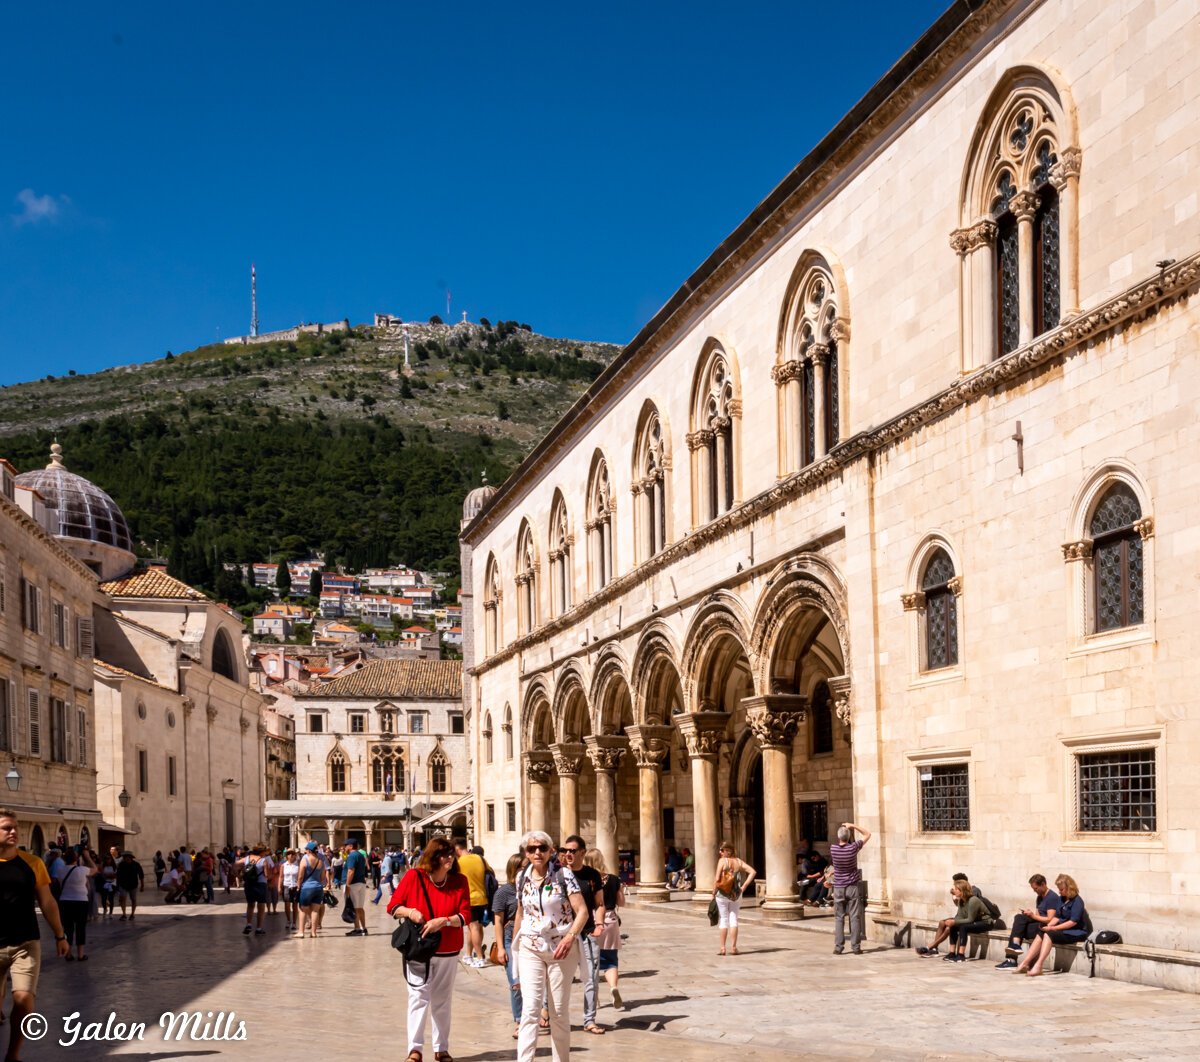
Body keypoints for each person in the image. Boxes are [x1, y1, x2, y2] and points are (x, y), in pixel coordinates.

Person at [387, 834, 471, 1062]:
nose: (450, 858)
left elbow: (465, 915)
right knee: (418, 998)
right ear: (433, 857)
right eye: (444, 854)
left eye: (451, 854)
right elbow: (393, 906)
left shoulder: (459, 881)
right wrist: (410, 912)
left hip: (448, 949)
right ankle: (414, 1050)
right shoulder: (415, 877)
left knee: (443, 1000)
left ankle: (441, 1048)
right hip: (419, 950)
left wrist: (442, 921)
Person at [513, 830, 589, 1062]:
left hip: (560, 948)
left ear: (550, 851)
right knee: (530, 1011)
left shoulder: (563, 875)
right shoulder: (521, 877)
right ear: (525, 852)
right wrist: (513, 952)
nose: (537, 852)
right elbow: (520, 914)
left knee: (557, 1013)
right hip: (530, 947)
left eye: (542, 848)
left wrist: (569, 938)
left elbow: (583, 912)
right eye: (531, 848)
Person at [1, 808, 69, 1062]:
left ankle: (13, 1055)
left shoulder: (33, 863)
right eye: (7, 827)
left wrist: (60, 935)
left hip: (26, 942)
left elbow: (47, 901)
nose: (14, 831)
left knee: (24, 999)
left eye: (15, 827)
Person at [558, 835, 607, 1034]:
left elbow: (600, 903)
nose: (568, 854)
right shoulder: (558, 875)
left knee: (592, 977)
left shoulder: (592, 875)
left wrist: (600, 924)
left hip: (587, 931)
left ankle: (589, 1020)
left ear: (582, 853)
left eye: (572, 851)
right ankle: (547, 1014)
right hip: (562, 934)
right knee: (556, 976)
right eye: (565, 850)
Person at [1015, 874, 1090, 977]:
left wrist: (1052, 928)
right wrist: (1048, 925)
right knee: (1042, 932)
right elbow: (1057, 917)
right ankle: (1025, 963)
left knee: (1049, 934)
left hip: (1075, 932)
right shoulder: (1061, 899)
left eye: (1061, 889)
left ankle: (1039, 964)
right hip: (1062, 929)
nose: (1059, 892)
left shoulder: (1077, 901)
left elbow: (1072, 922)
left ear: (1069, 888)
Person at [585, 848, 626, 1011]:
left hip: (591, 921)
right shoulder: (614, 879)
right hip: (610, 921)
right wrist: (620, 889)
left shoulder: (585, 881)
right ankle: (613, 987)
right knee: (610, 960)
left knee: (590, 962)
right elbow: (621, 903)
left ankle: (594, 997)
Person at [994, 873, 1061, 968]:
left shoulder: (1052, 897)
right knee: (1019, 918)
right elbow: (1037, 916)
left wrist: (1032, 915)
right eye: (1033, 889)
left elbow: (1050, 920)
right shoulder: (1039, 897)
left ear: (1043, 884)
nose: (1035, 891)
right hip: (1039, 924)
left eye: (1036, 888)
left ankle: (1012, 958)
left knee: (1017, 929)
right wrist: (1029, 914)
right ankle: (1015, 946)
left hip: (1046, 928)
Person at [491, 853, 524, 1040]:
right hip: (510, 941)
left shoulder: (532, 888)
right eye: (522, 867)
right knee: (516, 984)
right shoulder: (503, 892)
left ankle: (540, 1016)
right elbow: (498, 921)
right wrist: (502, 948)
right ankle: (519, 1021)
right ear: (514, 869)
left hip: (529, 940)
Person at [916, 873, 988, 957]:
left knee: (949, 928)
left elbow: (970, 910)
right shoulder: (960, 894)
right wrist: (954, 896)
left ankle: (930, 947)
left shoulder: (973, 891)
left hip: (973, 918)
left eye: (956, 885)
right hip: (963, 916)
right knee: (942, 922)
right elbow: (959, 906)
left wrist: (954, 921)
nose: (954, 887)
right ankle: (935, 949)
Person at [829, 821, 871, 955]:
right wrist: (852, 826)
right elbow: (867, 834)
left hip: (839, 887)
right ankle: (856, 947)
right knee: (854, 917)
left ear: (838, 837)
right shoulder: (853, 848)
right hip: (852, 886)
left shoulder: (833, 848)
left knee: (839, 917)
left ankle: (838, 947)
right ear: (848, 837)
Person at [711, 842, 756, 956]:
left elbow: (717, 879)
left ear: (728, 851)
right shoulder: (739, 862)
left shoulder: (722, 861)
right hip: (736, 894)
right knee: (733, 918)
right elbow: (752, 872)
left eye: (722, 850)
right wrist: (744, 886)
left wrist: (713, 893)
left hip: (722, 894)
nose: (720, 852)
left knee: (724, 919)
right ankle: (734, 947)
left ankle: (722, 948)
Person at [54, 847, 97, 961]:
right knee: (80, 927)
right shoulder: (81, 870)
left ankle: (68, 954)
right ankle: (81, 954)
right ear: (76, 858)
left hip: (65, 901)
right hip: (81, 901)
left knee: (68, 928)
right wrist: (87, 857)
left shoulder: (60, 870)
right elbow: (95, 869)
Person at [454, 839, 490, 966]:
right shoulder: (480, 859)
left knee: (473, 927)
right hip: (482, 897)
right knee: (474, 927)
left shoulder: (458, 863)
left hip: (470, 899)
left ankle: (479, 957)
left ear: (457, 849)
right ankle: (468, 954)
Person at [941, 878, 995, 962]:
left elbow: (970, 919)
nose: (954, 891)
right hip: (975, 921)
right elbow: (960, 916)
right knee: (953, 927)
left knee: (963, 927)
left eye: (956, 889)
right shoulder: (960, 901)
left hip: (986, 922)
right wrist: (953, 922)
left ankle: (961, 955)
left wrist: (954, 921)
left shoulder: (973, 901)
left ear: (962, 890)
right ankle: (952, 953)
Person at [238, 844, 272, 935]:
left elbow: (234, 865)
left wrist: (237, 876)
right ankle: (259, 928)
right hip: (261, 885)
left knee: (250, 905)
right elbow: (267, 875)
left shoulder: (247, 859)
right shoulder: (263, 861)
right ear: (261, 852)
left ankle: (249, 924)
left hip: (249, 884)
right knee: (261, 907)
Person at [295, 842, 325, 938]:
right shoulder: (321, 861)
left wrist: (298, 886)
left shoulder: (305, 860)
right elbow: (322, 878)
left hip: (306, 888)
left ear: (308, 850)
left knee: (303, 909)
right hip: (318, 888)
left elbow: (300, 876)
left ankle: (301, 932)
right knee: (315, 910)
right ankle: (313, 932)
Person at [342, 838, 369, 936]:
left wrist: (348, 885)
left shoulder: (352, 856)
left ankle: (357, 928)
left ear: (351, 846)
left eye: (346, 845)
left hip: (353, 884)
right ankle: (364, 928)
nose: (344, 847)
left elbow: (351, 871)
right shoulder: (360, 855)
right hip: (361, 883)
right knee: (359, 907)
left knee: (354, 907)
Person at [115, 851, 145, 921]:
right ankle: (124, 914)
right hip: (123, 884)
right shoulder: (121, 865)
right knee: (123, 899)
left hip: (133, 884)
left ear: (130, 857)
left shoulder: (136, 864)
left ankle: (132, 914)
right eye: (124, 857)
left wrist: (142, 885)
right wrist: (117, 885)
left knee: (133, 899)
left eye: (126, 857)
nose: (125, 858)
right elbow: (118, 876)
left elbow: (141, 875)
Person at [280, 849, 301, 931]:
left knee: (295, 905)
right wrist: (279, 886)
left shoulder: (298, 865)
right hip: (286, 885)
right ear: (286, 856)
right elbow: (281, 877)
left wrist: (299, 885)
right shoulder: (283, 865)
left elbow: (300, 876)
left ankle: (294, 922)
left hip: (295, 886)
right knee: (287, 904)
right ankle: (288, 920)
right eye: (289, 854)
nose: (291, 855)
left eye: (292, 854)